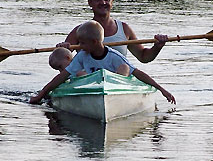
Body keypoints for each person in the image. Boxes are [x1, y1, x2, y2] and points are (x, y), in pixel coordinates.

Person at [30, 21, 175, 105]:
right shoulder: (82, 56)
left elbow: (139, 73)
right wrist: (41, 94)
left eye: (82, 43)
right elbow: (61, 77)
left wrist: (161, 89)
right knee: (78, 73)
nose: (79, 46)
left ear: (94, 42)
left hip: (114, 89)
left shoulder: (114, 56)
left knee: (124, 67)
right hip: (93, 87)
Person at [57, 0, 167, 63]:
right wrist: (63, 48)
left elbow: (143, 57)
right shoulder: (79, 31)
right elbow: (62, 59)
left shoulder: (124, 29)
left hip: (117, 80)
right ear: (90, 3)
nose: (103, 3)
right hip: (87, 80)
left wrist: (157, 47)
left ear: (112, 2)